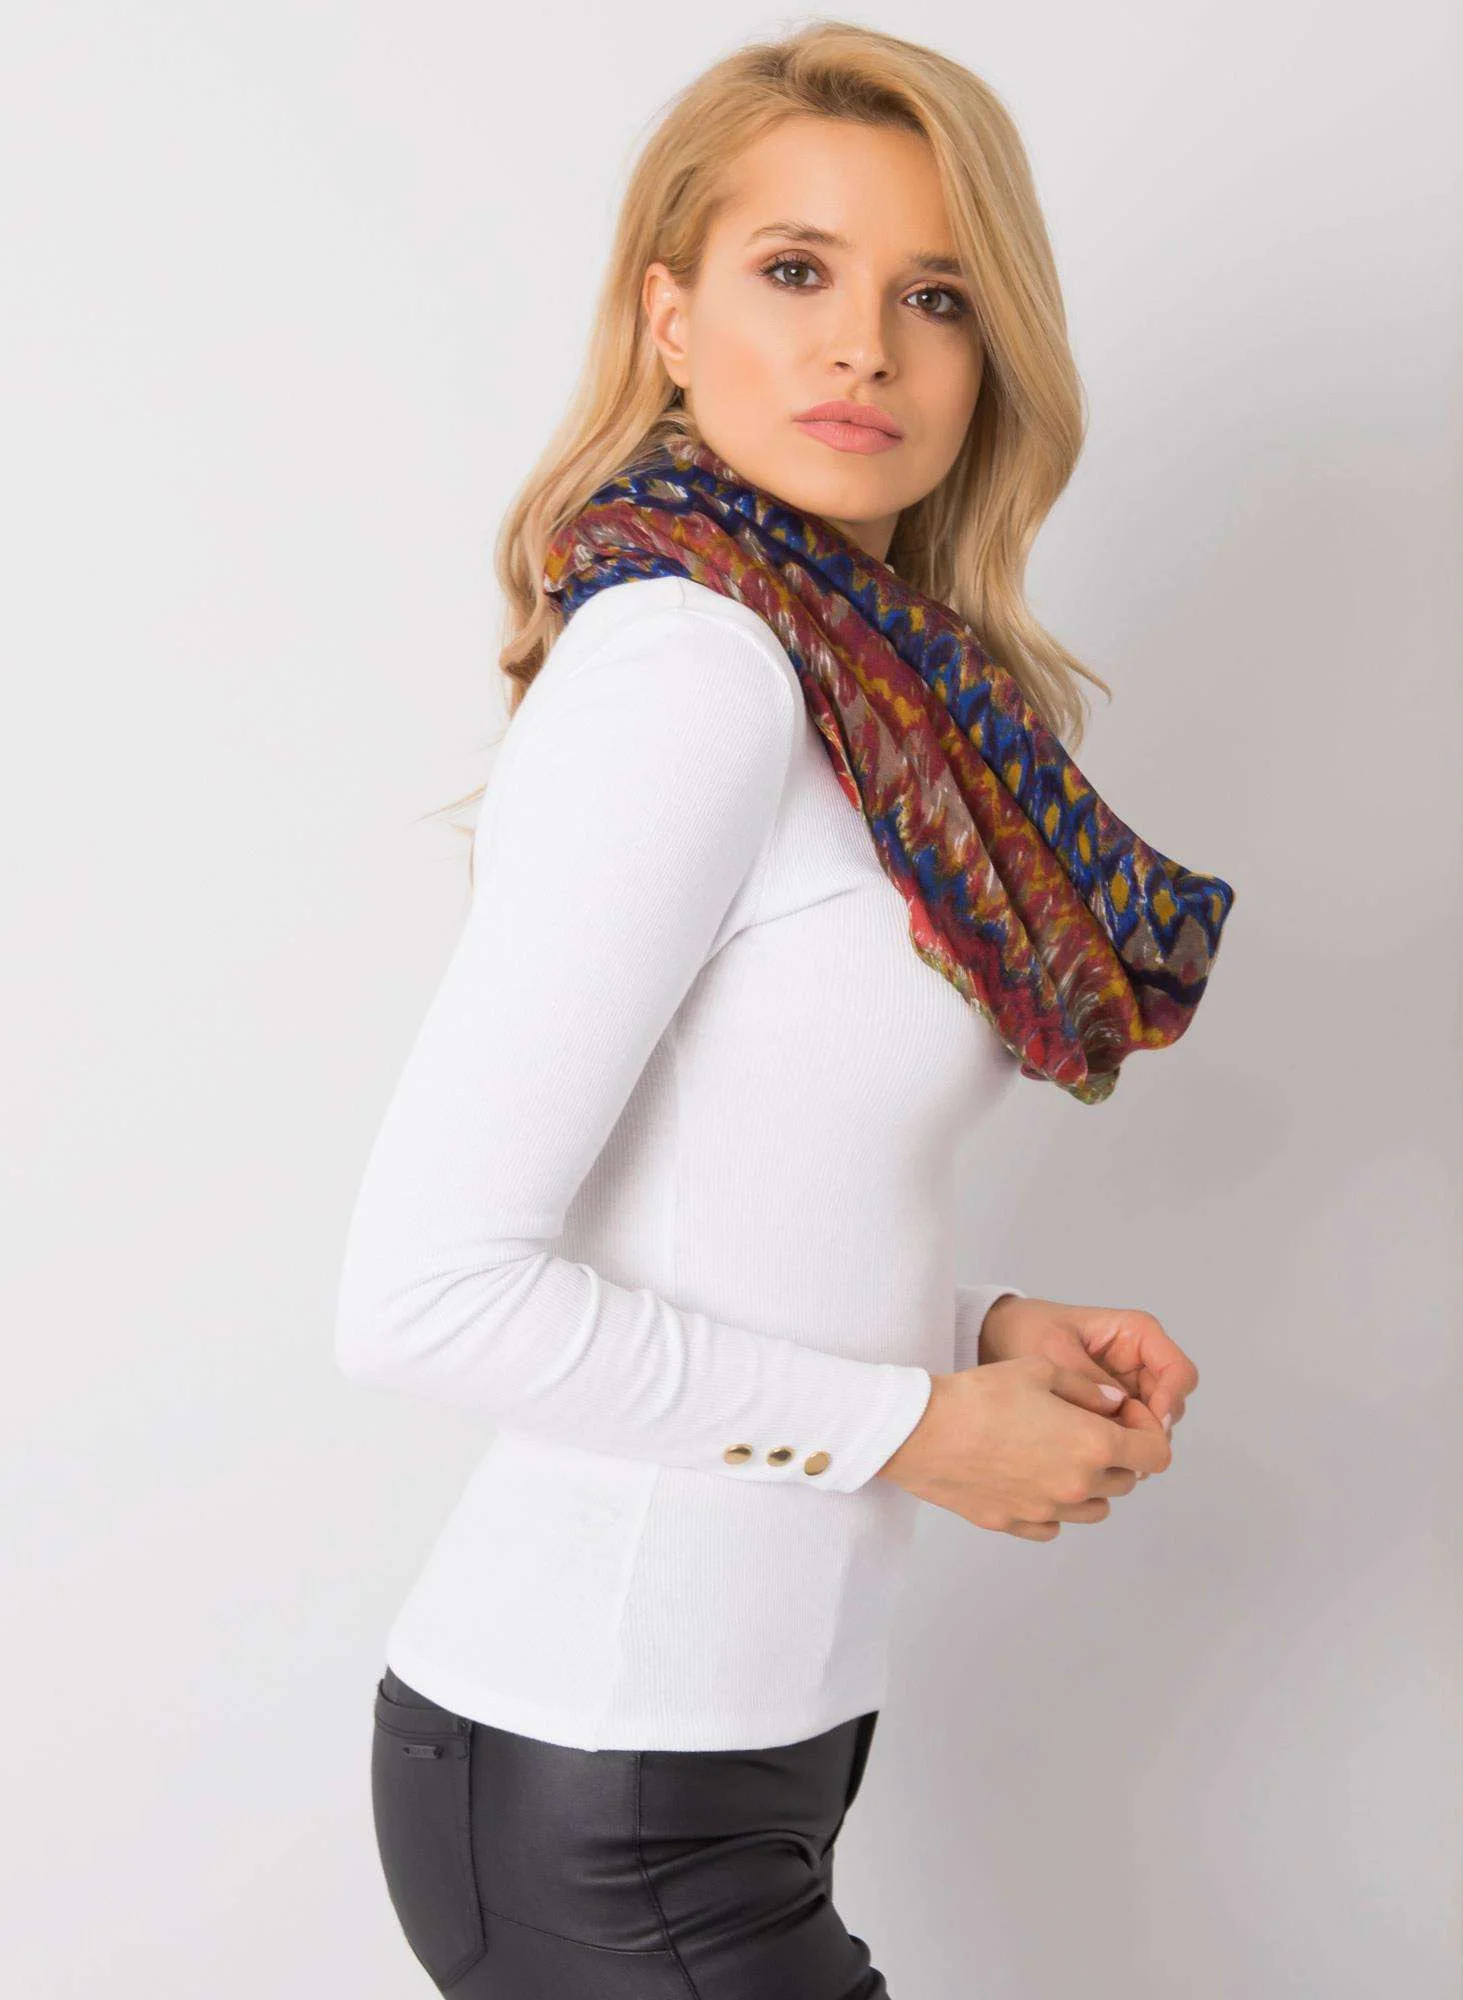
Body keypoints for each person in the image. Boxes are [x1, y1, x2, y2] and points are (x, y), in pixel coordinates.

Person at [335, 20, 1230, 1996]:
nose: (866, 350)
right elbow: (426, 1294)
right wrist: (918, 1426)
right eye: (796, 269)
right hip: (605, 1777)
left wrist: (977, 1336)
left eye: (937, 296)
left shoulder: (862, 692)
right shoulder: (693, 674)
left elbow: (712, 1196)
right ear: (670, 318)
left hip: (738, 1747)